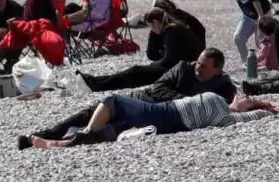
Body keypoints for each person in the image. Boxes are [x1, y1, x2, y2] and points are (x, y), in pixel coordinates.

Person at [18, 48, 237, 150]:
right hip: (143, 100)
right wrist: (184, 101)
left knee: (107, 128)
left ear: (217, 70)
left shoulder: (224, 87)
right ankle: (44, 135)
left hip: (156, 117)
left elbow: (223, 109)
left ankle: (60, 143)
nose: (197, 67)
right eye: (197, 62)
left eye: (203, 66)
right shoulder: (182, 68)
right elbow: (158, 87)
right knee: (89, 114)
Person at [30, 91, 277, 149]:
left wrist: (261, 107)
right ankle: (59, 144)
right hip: (165, 116)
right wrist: (255, 106)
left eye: (247, 98)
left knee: (113, 100)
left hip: (164, 114)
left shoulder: (224, 115)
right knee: (110, 131)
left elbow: (256, 116)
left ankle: (83, 133)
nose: (242, 96)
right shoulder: (223, 111)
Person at [77, 8, 203, 92]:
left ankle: (96, 84)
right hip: (176, 68)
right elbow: (152, 54)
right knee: (136, 72)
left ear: (155, 22)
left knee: (135, 71)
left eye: (150, 26)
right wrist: (153, 34)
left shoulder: (171, 31)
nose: (151, 29)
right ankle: (95, 82)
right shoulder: (169, 29)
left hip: (178, 72)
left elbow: (168, 61)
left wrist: (152, 65)